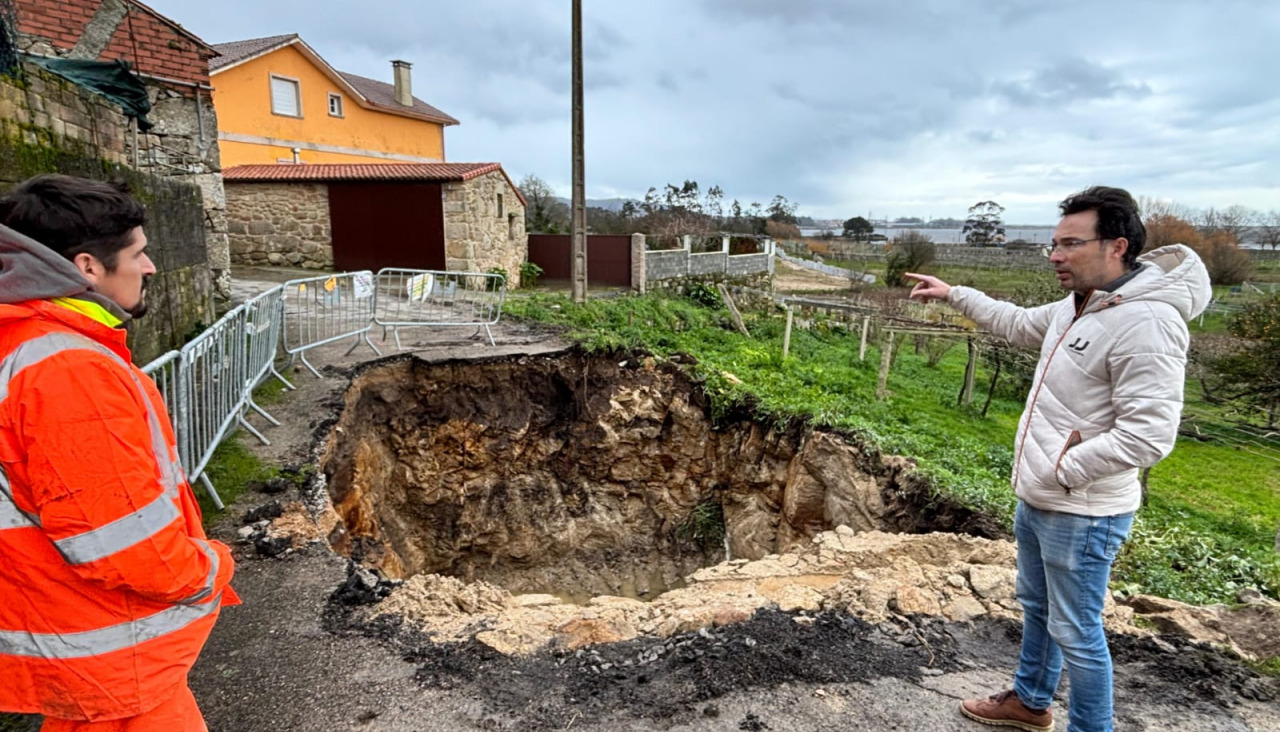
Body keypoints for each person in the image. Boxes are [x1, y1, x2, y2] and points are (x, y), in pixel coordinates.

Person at [905, 186, 1210, 732]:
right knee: (1040, 610)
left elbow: (1149, 435)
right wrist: (955, 294)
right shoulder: (1082, 305)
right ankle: (1030, 702)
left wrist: (1064, 469)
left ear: (1117, 245)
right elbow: (1018, 322)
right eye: (1054, 243)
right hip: (1045, 495)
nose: (1055, 255)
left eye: (1070, 243)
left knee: (1077, 629)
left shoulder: (1150, 323)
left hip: (1084, 508)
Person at [0, 175, 239, 731]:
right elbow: (127, 545)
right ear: (87, 268)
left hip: (73, 642)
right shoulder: (70, 371)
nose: (151, 267)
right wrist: (211, 566)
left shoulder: (24, 343)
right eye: (139, 254)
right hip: (114, 663)